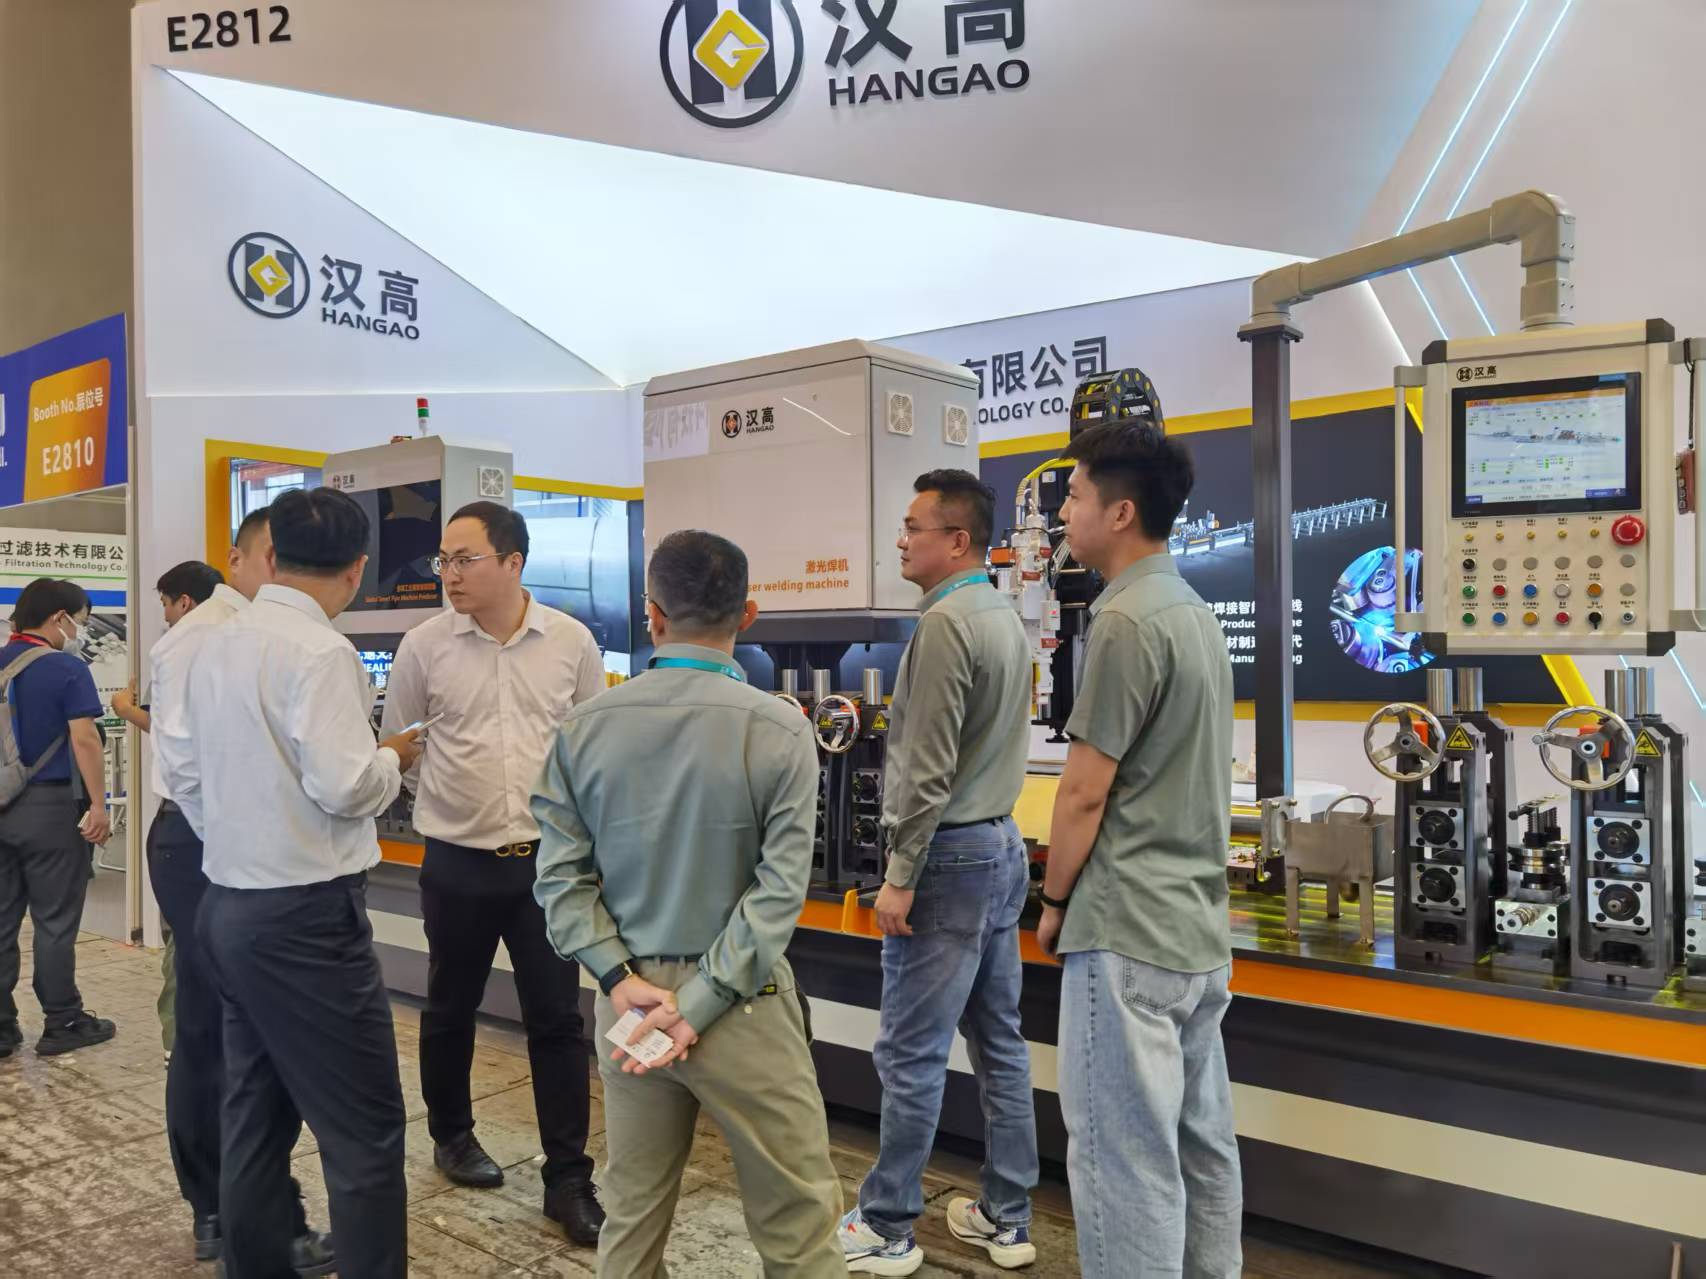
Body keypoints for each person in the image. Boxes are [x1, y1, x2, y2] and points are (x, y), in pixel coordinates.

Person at [533, 529, 844, 1278]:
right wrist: (698, 1004)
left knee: (631, 1216)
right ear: (748, 614)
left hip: (632, 1009)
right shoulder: (781, 729)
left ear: (652, 613)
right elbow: (778, 893)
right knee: (798, 1223)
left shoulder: (583, 728)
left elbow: (560, 879)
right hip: (745, 1006)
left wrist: (618, 978)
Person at [174, 489, 423, 1279]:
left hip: (228, 903)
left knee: (256, 1111)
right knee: (366, 1133)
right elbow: (345, 786)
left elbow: (185, 774)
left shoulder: (212, 641)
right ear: (357, 571)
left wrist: (244, 838)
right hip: (307, 920)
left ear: (272, 555)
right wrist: (394, 758)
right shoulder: (322, 652)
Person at [1037, 421, 1240, 1279]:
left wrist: (1053, 901)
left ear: (1120, 512)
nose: (1064, 514)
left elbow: (1084, 790)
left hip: (1124, 930)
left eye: (1075, 496)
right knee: (1200, 1145)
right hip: (1195, 930)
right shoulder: (1192, 611)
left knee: (1123, 1159)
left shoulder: (1122, 618)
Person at [380, 501, 606, 1243]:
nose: (448, 574)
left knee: (558, 1020)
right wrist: (451, 804)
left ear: (513, 562)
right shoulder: (424, 646)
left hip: (546, 864)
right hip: (455, 861)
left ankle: (568, 1179)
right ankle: (452, 1136)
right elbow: (402, 745)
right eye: (443, 560)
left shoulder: (570, 641)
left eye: (464, 559)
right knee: (450, 1005)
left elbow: (591, 748)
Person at [841, 470, 1039, 1275]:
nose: (900, 540)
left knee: (910, 1052)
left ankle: (887, 1223)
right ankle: (1007, 1216)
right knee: (1000, 1040)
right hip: (1000, 846)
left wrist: (899, 874)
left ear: (956, 540)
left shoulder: (946, 624)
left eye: (912, 527)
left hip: (947, 859)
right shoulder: (1000, 615)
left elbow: (924, 771)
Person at [151, 518, 334, 1271]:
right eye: (277, 559)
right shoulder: (204, 634)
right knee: (215, 1033)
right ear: (244, 559)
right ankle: (227, 1212)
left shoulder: (262, 635)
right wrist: (234, 841)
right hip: (205, 844)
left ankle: (244, 1211)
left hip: (223, 843)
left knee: (239, 1033)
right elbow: (185, 768)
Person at [0, 579, 115, 1059]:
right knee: (54, 921)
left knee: (1, 921)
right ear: (58, 618)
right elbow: (84, 739)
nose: (80, 631)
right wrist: (98, 805)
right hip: (49, 810)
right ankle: (62, 1020)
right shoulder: (67, 669)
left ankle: (1, 1028)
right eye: (80, 622)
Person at [115, 559, 223, 1062]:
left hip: (184, 822)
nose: (163, 614)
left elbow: (172, 734)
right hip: (223, 821)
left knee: (185, 942)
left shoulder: (179, 650)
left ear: (185, 601)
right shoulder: (237, 645)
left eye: (164, 603)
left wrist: (124, 710)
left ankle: (181, 1044)